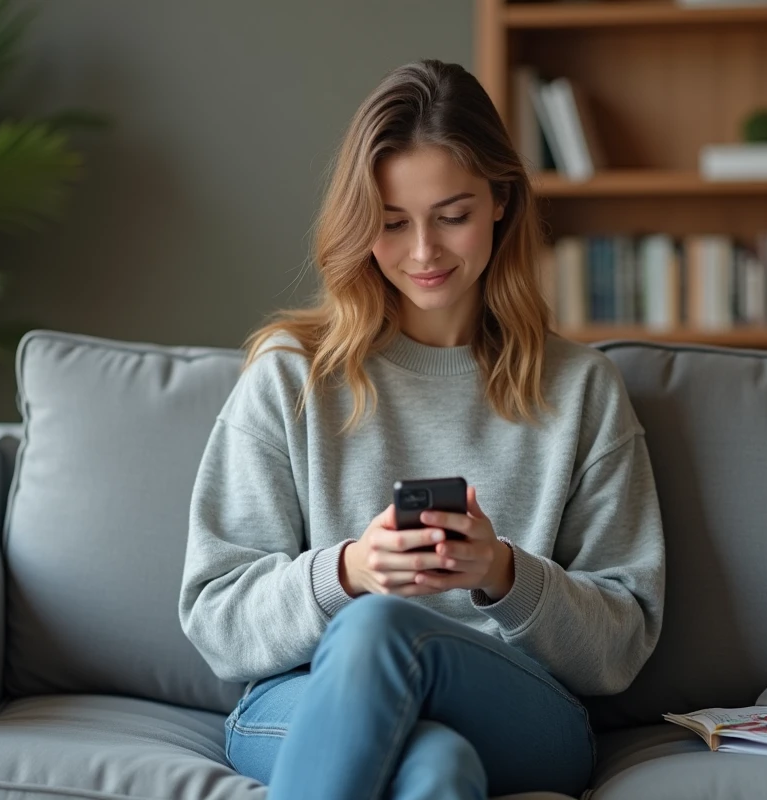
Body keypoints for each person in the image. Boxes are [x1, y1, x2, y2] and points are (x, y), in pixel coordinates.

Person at [178, 58, 665, 800]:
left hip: (519, 710)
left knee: (381, 631)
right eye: (392, 222)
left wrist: (503, 573)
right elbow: (216, 617)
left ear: (500, 199)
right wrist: (347, 573)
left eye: (452, 216)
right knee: (434, 766)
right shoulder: (290, 375)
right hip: (307, 698)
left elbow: (621, 642)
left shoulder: (580, 390)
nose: (423, 252)